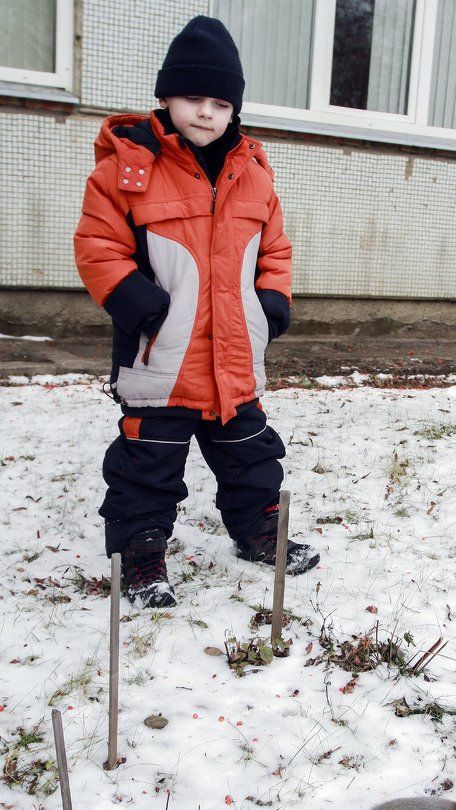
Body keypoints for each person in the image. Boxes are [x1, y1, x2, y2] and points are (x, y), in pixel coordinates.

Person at [74, 15, 319, 609]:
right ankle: (140, 555)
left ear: (234, 109)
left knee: (252, 454)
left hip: (233, 357)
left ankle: (259, 528)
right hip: (162, 354)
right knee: (146, 466)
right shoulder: (127, 170)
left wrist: (272, 304)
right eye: (192, 98)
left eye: (219, 102)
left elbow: (275, 250)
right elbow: (97, 245)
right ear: (165, 98)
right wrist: (137, 302)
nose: (205, 112)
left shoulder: (254, 175)